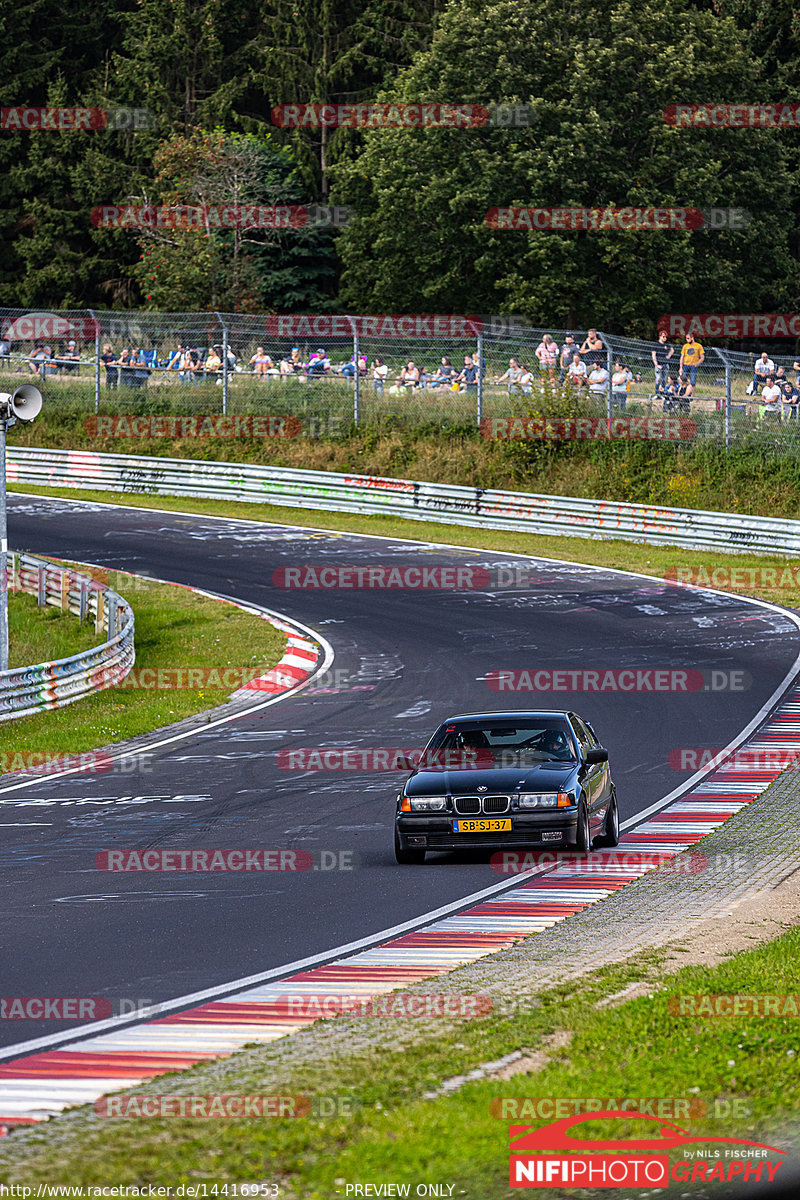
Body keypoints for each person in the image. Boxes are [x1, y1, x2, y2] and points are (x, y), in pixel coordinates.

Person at [679, 334, 705, 400]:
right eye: (686, 338)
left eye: (688, 338)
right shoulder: (685, 346)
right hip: (685, 365)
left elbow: (702, 357)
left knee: (693, 382)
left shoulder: (698, 346)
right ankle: (683, 394)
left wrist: (697, 364)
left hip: (693, 366)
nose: (687, 340)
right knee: (683, 381)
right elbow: (682, 357)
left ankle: (692, 397)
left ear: (692, 338)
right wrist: (681, 367)